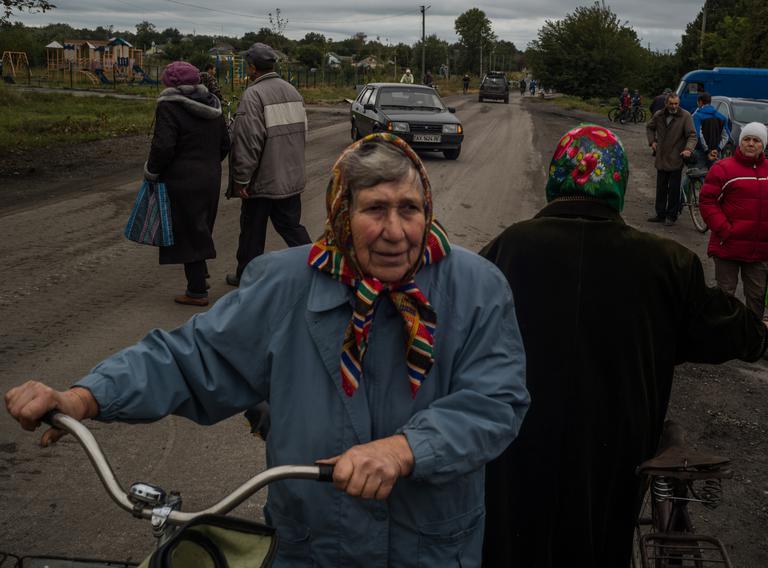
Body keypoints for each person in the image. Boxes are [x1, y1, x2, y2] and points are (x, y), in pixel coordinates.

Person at [5, 134, 531, 567]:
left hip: (430, 548)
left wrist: (405, 449)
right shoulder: (285, 285)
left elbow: (496, 401)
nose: (396, 231)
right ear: (341, 213)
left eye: (409, 209)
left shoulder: (477, 287)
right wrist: (85, 396)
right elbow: (193, 358)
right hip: (313, 548)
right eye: (375, 209)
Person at [480, 124, 768, 568]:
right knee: (603, 539)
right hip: (617, 441)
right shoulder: (666, 261)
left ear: (556, 177)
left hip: (518, 435)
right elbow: (718, 327)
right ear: (618, 182)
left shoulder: (509, 247)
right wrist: (760, 333)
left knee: (515, 536)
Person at [699, 122, 768, 362]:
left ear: (763, 145)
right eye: (747, 139)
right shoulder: (723, 169)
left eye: (756, 140)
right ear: (740, 142)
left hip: (759, 249)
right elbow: (707, 201)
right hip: (728, 246)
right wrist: (724, 230)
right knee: (725, 295)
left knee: (756, 297)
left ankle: (755, 341)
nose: (751, 143)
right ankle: (721, 340)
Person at [144, 61, 230, 306]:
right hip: (210, 177)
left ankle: (196, 291)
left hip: (181, 178)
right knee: (200, 226)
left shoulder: (169, 107)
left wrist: (152, 171)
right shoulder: (213, 105)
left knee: (187, 231)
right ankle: (200, 274)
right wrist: (208, 164)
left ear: (171, 84)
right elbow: (225, 144)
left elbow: (163, 146)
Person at [226, 43, 311, 287]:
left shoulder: (254, 95)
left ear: (252, 68)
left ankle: (246, 277)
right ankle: (320, 267)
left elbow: (247, 141)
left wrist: (242, 179)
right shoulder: (293, 91)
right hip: (290, 177)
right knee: (292, 227)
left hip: (262, 180)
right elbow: (302, 132)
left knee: (252, 231)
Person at [646, 92, 696, 225]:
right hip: (661, 157)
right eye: (671, 103)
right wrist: (652, 142)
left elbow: (692, 135)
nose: (674, 106)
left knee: (673, 189)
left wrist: (688, 149)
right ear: (666, 103)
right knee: (661, 188)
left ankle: (671, 216)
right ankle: (660, 214)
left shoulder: (685, 116)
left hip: (676, 157)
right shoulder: (659, 115)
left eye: (676, 104)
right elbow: (649, 127)